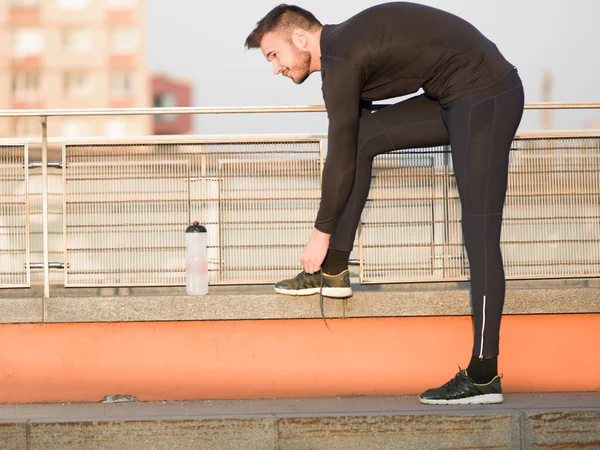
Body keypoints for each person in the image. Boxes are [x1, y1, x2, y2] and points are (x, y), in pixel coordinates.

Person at [244, 2, 524, 405]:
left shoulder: (342, 55)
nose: (275, 68)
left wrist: (319, 234)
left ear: (301, 38)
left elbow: (337, 155)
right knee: (364, 139)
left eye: (275, 55)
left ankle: (483, 375)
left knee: (479, 232)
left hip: (487, 95)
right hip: (452, 96)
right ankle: (335, 272)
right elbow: (349, 145)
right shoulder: (340, 62)